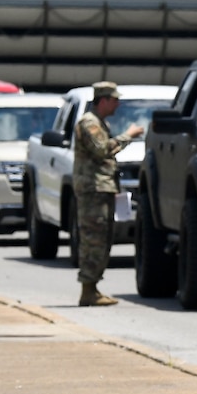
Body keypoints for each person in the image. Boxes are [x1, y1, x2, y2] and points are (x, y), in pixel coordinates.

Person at [73, 82, 145, 307]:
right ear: (103, 100)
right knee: (93, 240)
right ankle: (88, 290)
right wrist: (129, 135)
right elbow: (102, 150)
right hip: (93, 190)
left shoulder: (99, 122)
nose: (117, 104)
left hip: (102, 188)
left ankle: (92, 287)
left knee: (103, 238)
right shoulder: (89, 123)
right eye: (114, 100)